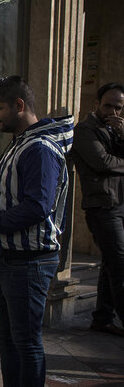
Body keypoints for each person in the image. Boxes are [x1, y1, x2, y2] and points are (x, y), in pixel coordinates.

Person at [0, 76, 73, 387]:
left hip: (28, 262)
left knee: (26, 342)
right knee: (7, 335)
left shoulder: (39, 148)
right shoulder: (22, 144)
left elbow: (37, 207)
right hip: (7, 259)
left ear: (20, 105)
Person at [71, 82, 124, 337]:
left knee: (110, 263)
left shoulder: (116, 131)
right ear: (96, 104)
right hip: (101, 207)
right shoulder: (84, 130)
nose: (113, 112)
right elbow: (102, 162)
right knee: (120, 264)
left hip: (119, 204)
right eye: (108, 106)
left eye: (118, 107)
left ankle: (102, 317)